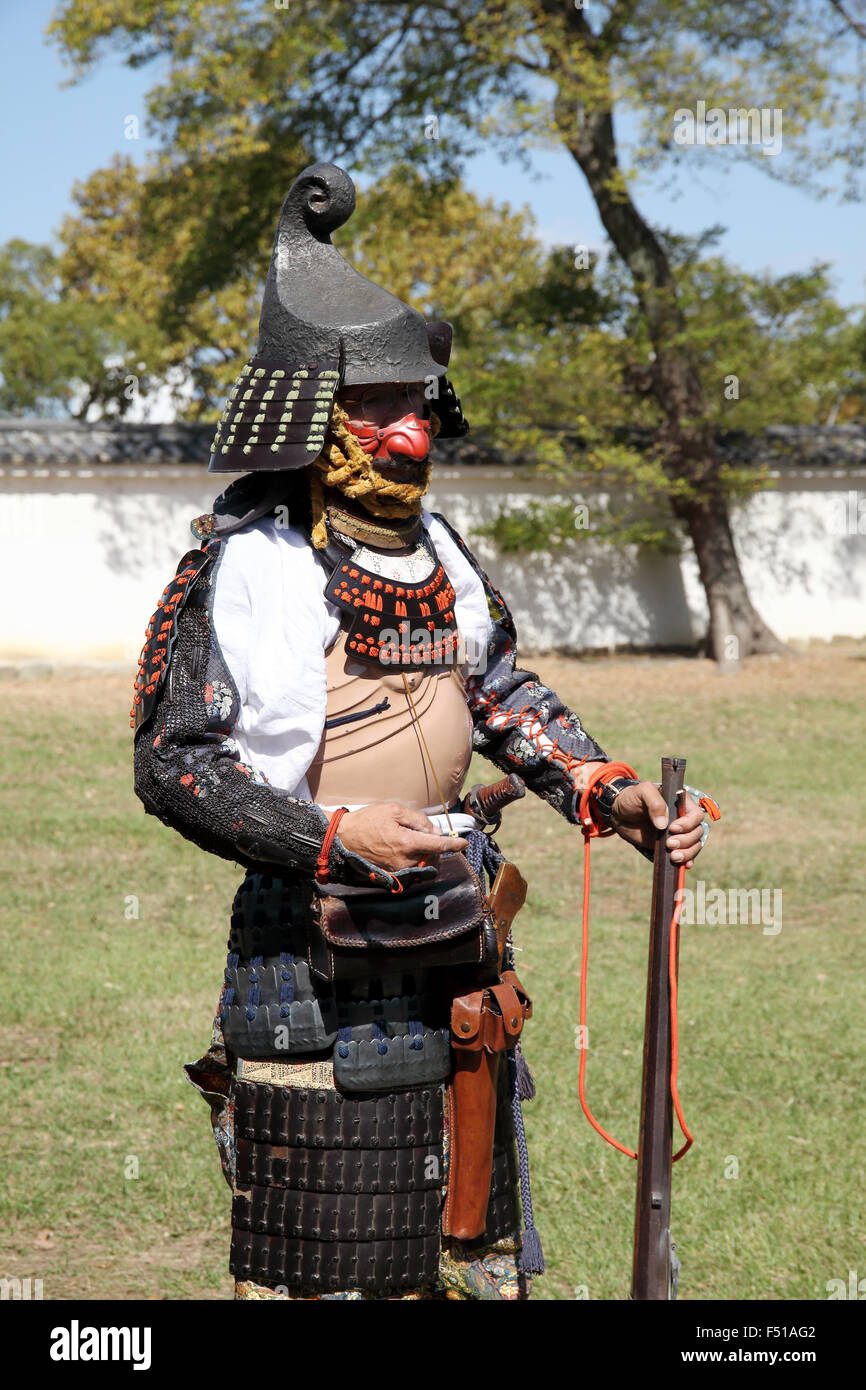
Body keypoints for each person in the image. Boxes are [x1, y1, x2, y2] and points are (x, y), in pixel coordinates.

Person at [131, 162, 711, 1301]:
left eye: (420, 408)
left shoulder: (440, 551)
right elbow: (174, 765)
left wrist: (606, 791)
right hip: (307, 954)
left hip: (458, 947)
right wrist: (334, 832)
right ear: (316, 414)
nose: (410, 432)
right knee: (332, 1274)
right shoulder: (242, 564)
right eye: (380, 407)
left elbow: (500, 693)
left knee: (472, 1266)